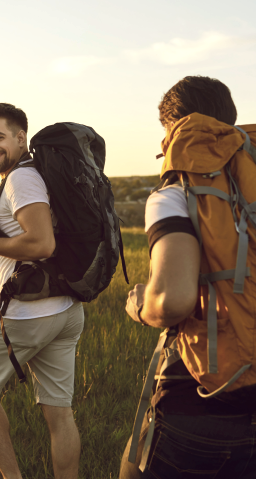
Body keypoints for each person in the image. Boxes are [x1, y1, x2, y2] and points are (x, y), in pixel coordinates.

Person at [119, 76, 256, 478]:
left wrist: (140, 304)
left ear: (175, 131)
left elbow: (174, 300)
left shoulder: (174, 192)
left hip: (201, 399)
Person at [0, 103, 84, 479]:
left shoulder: (22, 179)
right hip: (65, 309)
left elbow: (42, 244)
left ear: (21, 138)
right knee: (59, 411)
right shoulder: (39, 174)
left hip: (27, 313)